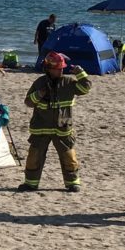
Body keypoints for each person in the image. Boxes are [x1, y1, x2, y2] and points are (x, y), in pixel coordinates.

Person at [18, 52, 92, 192]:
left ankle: (72, 183)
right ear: (48, 69)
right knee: (34, 157)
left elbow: (85, 88)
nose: (61, 70)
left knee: (69, 156)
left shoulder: (68, 82)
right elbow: (28, 102)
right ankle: (31, 183)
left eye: (62, 68)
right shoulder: (39, 83)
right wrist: (39, 94)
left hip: (62, 127)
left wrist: (80, 73)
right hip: (41, 128)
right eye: (58, 68)